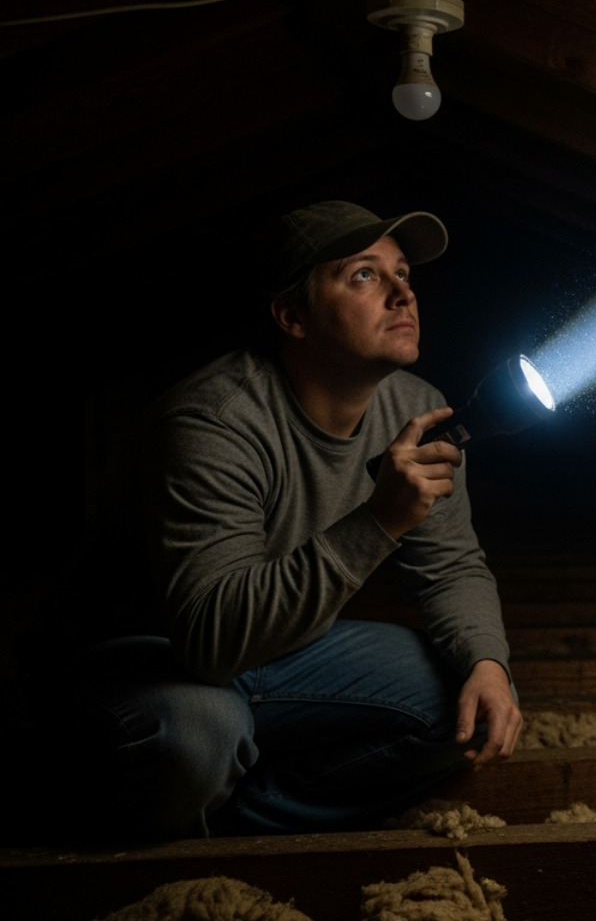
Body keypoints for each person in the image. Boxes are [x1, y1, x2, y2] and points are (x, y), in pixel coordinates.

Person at [62, 200, 522, 839]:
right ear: (292, 316)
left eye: (404, 274)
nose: (401, 294)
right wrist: (378, 521)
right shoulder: (213, 422)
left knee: (469, 701)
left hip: (285, 648)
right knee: (199, 737)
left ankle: (243, 817)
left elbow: (450, 565)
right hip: (157, 653)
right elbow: (210, 640)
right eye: (365, 275)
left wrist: (488, 662)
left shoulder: (419, 409)